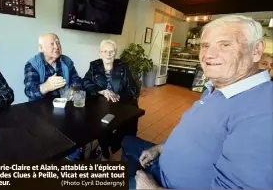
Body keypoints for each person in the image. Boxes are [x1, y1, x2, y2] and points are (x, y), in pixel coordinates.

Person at [122, 15, 273, 189]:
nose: (208, 54)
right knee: (127, 142)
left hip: (165, 184)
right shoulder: (216, 87)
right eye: (205, 45)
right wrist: (160, 148)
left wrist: (151, 187)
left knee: (87, 178)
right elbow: (193, 135)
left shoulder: (263, 112)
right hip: (161, 162)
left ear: (256, 50)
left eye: (225, 44)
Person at [83, 39, 138, 161]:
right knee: (100, 124)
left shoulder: (123, 66)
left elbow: (133, 88)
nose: (108, 54)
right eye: (105, 51)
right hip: (101, 104)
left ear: (115, 53)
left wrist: (118, 96)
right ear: (100, 53)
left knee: (126, 125)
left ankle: (113, 146)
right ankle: (104, 149)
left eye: (111, 51)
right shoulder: (94, 65)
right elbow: (85, 83)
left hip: (121, 104)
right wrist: (102, 91)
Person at [24, 33, 81, 101]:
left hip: (64, 104)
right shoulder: (33, 64)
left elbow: (76, 80)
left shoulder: (67, 61)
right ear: (41, 48)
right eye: (52, 44)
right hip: (40, 107)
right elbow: (29, 91)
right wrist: (46, 86)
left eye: (58, 43)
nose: (56, 47)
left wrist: (73, 90)